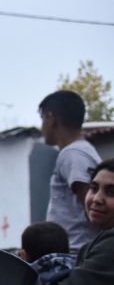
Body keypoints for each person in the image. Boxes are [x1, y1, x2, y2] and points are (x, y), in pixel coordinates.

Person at [40, 90, 101, 252]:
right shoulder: (81, 151)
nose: (42, 127)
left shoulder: (73, 154)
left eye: (42, 118)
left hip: (76, 253)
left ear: (51, 118)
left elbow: (93, 207)